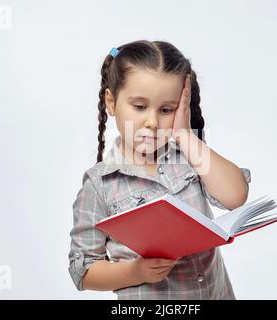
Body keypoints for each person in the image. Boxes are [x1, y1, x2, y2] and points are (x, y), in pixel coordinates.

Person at [68, 40, 251, 299]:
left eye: (166, 109)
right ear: (111, 101)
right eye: (140, 107)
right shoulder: (99, 185)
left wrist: (185, 135)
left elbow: (235, 196)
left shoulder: (190, 159)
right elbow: (83, 271)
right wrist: (136, 272)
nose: (153, 122)